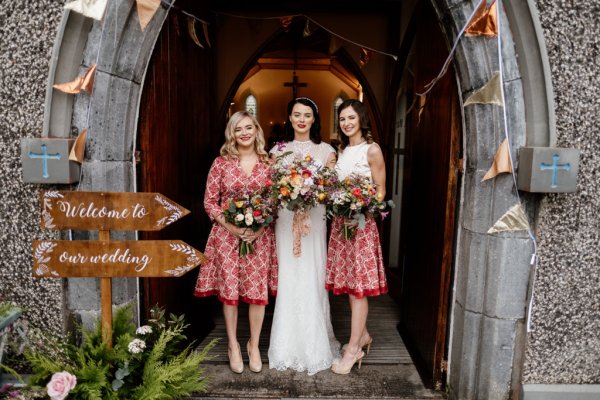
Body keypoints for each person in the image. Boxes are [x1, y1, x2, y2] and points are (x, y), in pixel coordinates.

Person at [194, 111, 277, 374]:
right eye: (238, 128)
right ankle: (233, 344)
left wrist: (259, 227)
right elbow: (209, 201)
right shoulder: (221, 163)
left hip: (259, 238)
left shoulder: (269, 163)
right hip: (226, 238)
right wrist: (233, 227)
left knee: (256, 294)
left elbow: (275, 202)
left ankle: (254, 345)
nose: (244, 133)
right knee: (230, 293)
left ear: (256, 130)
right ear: (232, 133)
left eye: (248, 127)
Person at [268, 97, 340, 375]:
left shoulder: (326, 151)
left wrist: (311, 193)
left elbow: (330, 189)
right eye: (296, 114)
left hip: (314, 218)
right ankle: (286, 344)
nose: (301, 119)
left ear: (314, 119)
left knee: (312, 271)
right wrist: (290, 191)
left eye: (306, 115)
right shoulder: (278, 151)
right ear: (289, 117)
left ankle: (315, 341)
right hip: (286, 219)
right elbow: (273, 188)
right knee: (289, 272)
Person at [325, 99, 388, 374]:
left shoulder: (372, 150)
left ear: (361, 119)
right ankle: (361, 335)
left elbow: (381, 191)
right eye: (342, 119)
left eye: (351, 118)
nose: (346, 123)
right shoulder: (342, 150)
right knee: (350, 285)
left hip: (361, 227)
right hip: (341, 226)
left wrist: (361, 206)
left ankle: (353, 349)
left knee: (359, 287)